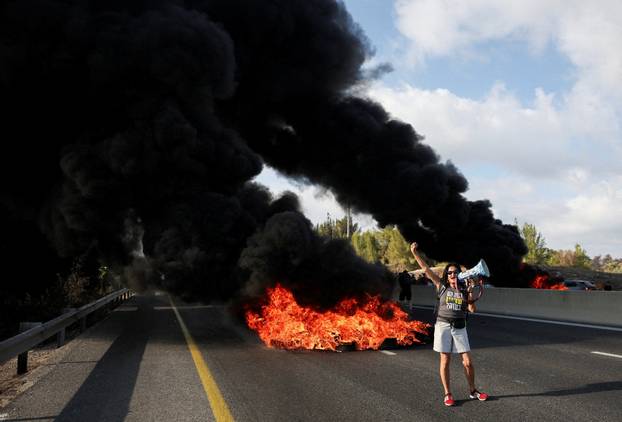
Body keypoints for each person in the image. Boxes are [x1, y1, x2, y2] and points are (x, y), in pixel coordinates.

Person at [409, 241, 489, 407]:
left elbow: (472, 310)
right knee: (445, 361)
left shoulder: (464, 288)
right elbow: (425, 269)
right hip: (443, 325)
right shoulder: (441, 286)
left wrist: (470, 292)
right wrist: (415, 253)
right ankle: (448, 393)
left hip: (460, 326)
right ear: (447, 275)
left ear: (460, 275)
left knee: (467, 362)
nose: (453, 275)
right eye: (450, 273)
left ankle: (473, 390)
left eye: (455, 272)